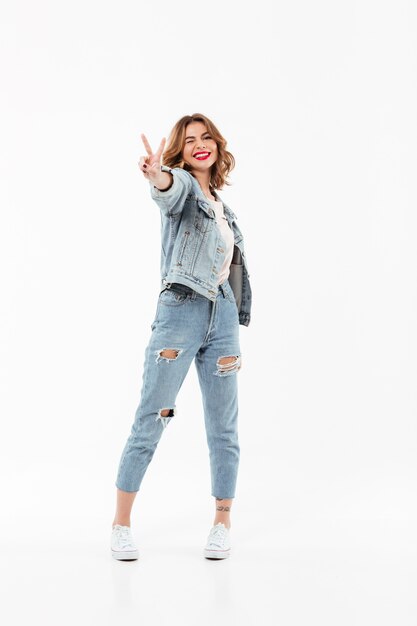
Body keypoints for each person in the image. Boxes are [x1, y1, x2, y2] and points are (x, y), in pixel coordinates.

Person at [110, 113, 252, 561]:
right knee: (154, 415)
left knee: (223, 425)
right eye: (190, 141)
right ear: (181, 152)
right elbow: (169, 192)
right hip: (181, 314)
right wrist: (157, 175)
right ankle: (120, 525)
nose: (200, 144)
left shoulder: (224, 208)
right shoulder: (186, 188)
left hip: (223, 317)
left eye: (206, 137)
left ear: (217, 145)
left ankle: (222, 522)